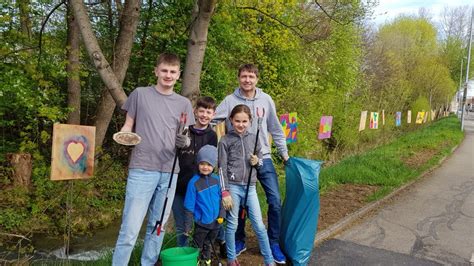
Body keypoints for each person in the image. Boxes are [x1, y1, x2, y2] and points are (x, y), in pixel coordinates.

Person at [112, 53, 194, 266]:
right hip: (142, 168)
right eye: (164, 70)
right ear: (156, 71)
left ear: (178, 75)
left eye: (173, 72)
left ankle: (147, 263)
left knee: (158, 226)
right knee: (129, 229)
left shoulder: (184, 104)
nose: (168, 75)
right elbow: (128, 125)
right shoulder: (140, 94)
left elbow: (186, 138)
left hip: (170, 171)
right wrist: (124, 134)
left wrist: (183, 142)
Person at [215, 64, 288, 264]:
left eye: (251, 77)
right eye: (244, 76)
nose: (247, 80)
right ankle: (239, 240)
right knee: (237, 204)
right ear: (239, 78)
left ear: (257, 79)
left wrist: (284, 154)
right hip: (236, 164)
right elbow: (212, 119)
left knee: (274, 201)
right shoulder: (230, 100)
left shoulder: (266, 100)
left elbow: (275, 127)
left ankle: (273, 243)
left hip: (261, 158)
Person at [219, 104, 275, 266]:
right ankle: (231, 259)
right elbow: (221, 167)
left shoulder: (254, 137)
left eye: (244, 121)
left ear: (250, 121)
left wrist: (257, 162)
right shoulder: (225, 141)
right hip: (233, 188)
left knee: (259, 225)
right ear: (231, 120)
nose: (241, 124)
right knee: (233, 224)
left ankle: (269, 260)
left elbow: (261, 159)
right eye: (237, 121)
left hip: (250, 188)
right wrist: (225, 191)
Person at [172, 96, 218, 247]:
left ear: (213, 114)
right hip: (180, 185)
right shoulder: (185, 128)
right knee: (182, 226)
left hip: (200, 188)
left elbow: (211, 162)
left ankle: (203, 250)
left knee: (203, 222)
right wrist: (180, 142)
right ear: (195, 112)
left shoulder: (212, 135)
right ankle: (184, 254)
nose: (205, 115)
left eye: (208, 112)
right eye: (202, 111)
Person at [183, 145, 225, 265]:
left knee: (209, 243)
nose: (205, 167)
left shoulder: (217, 180)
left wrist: (222, 215)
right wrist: (187, 226)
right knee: (198, 244)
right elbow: (188, 206)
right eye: (202, 163)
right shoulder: (193, 183)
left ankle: (206, 260)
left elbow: (222, 199)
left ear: (214, 166)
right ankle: (195, 260)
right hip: (202, 223)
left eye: (209, 164)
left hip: (216, 221)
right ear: (198, 164)